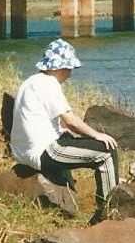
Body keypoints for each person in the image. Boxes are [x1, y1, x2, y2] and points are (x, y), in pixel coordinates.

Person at [9, 38, 120, 221]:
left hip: (23, 153)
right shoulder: (48, 83)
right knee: (106, 152)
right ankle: (108, 212)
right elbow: (70, 121)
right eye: (68, 68)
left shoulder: (30, 82)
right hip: (44, 151)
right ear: (57, 67)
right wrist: (97, 135)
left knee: (76, 141)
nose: (69, 74)